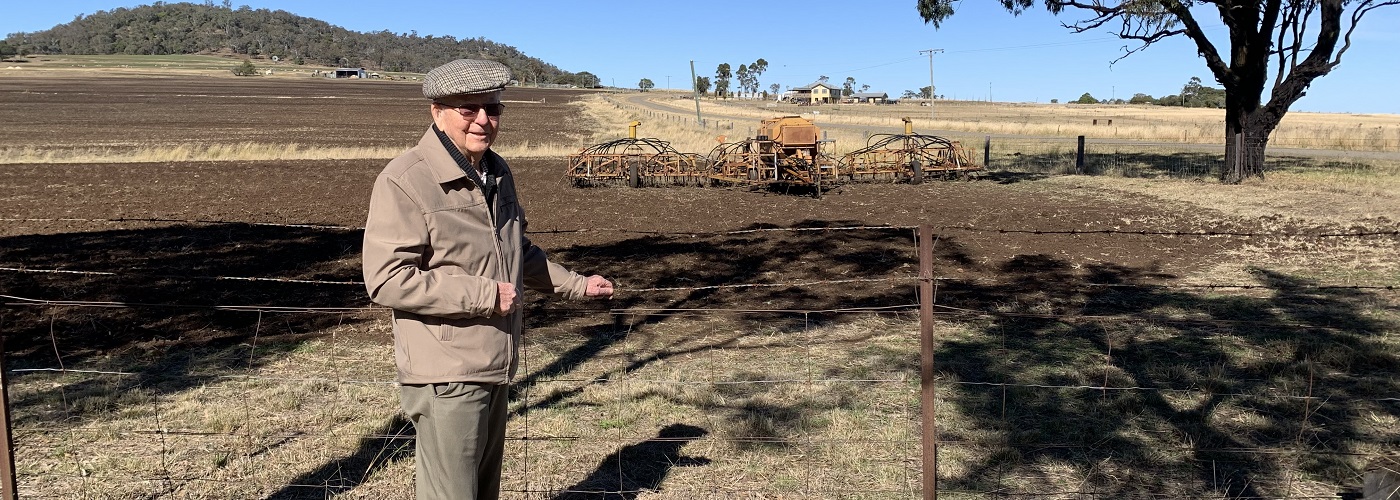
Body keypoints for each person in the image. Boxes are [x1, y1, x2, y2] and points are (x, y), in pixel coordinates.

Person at [361, 58, 614, 500]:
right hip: (447, 373)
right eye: (468, 109)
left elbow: (520, 252)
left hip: (496, 364)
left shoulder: (496, 173)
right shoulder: (405, 180)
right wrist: (481, 295)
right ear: (437, 112)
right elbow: (386, 278)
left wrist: (577, 283)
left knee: (481, 492)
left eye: (493, 109)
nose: (483, 120)